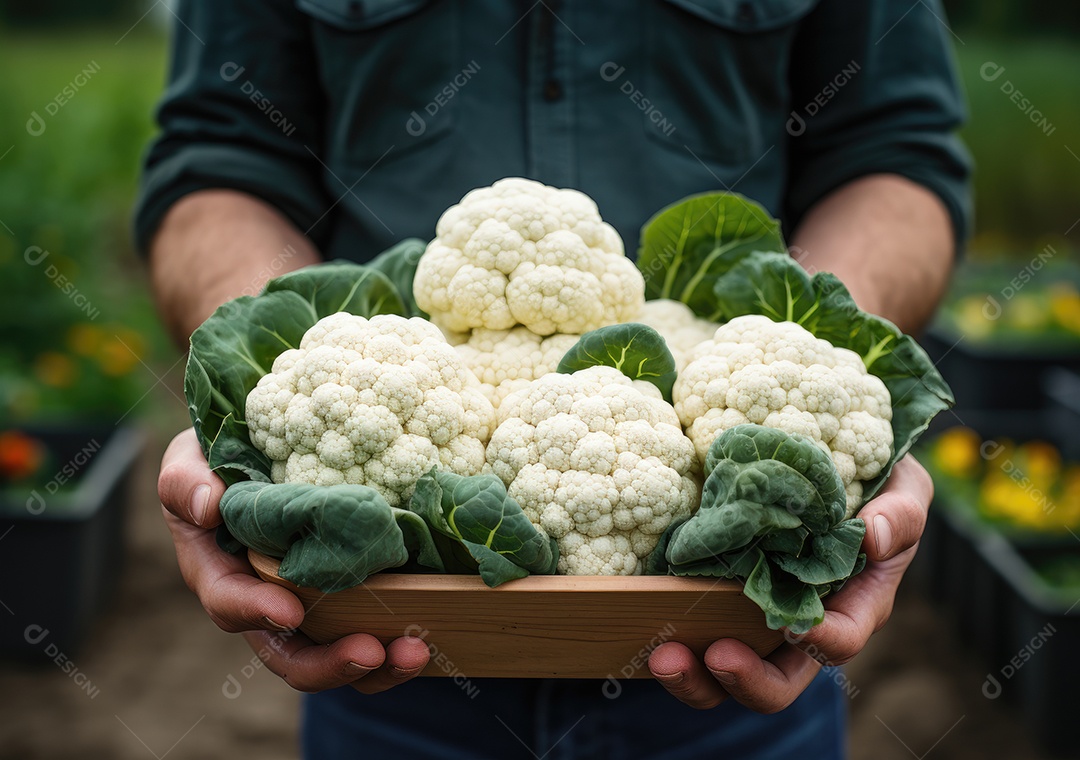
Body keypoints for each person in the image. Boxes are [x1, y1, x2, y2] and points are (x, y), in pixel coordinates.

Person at [137, 1, 970, 757]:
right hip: (391, 644)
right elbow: (221, 153)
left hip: (737, 653)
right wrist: (272, 398)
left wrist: (815, 371)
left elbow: (895, 151)